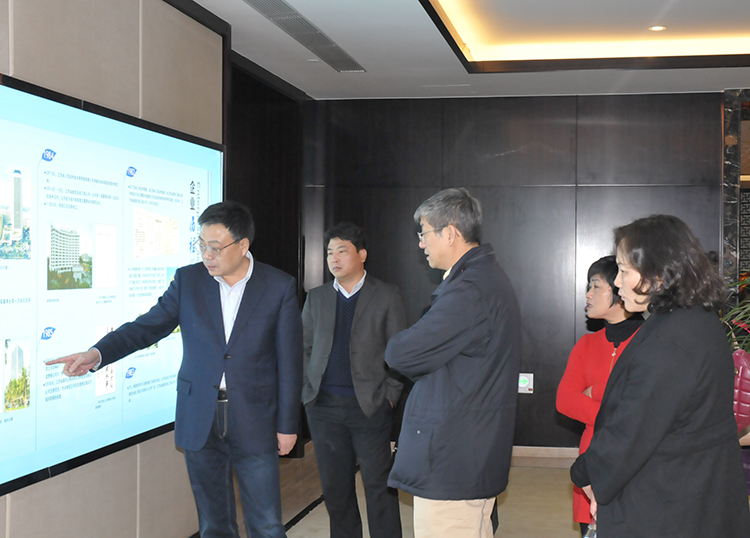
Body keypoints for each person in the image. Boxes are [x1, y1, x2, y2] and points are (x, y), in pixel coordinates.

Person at [47, 201, 303, 538]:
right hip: (199, 417)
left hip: (255, 417)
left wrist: (287, 425)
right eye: (202, 245)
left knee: (267, 525)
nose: (207, 255)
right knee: (213, 524)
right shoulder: (188, 280)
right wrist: (97, 354)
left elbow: (290, 362)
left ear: (243, 245)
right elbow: (146, 328)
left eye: (215, 247)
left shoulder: (278, 286)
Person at [570, 214, 750, 537]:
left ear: (657, 274)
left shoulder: (671, 342)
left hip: (670, 504)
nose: (617, 282)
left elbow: (631, 432)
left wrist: (584, 472)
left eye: (624, 271)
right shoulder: (696, 319)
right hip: (697, 494)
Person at [384, 188, 521, 538]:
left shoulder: (469, 289)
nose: (421, 243)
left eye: (424, 233)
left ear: (450, 233)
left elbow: (400, 353)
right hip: (467, 452)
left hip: (453, 459)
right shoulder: (482, 278)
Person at [301, 222, 406, 538]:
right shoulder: (316, 297)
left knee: (379, 486)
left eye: (341, 251)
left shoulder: (386, 295)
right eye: (329, 252)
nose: (333, 259)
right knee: (335, 489)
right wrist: (308, 391)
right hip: (323, 407)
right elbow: (304, 347)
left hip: (369, 406)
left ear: (362, 255)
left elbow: (400, 351)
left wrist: (389, 396)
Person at [556, 255, 643, 536]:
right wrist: (616, 412)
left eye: (595, 286)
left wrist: (595, 392)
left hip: (636, 461)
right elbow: (564, 400)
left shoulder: (649, 341)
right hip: (591, 460)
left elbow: (647, 399)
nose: (588, 294)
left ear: (618, 289)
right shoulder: (586, 344)